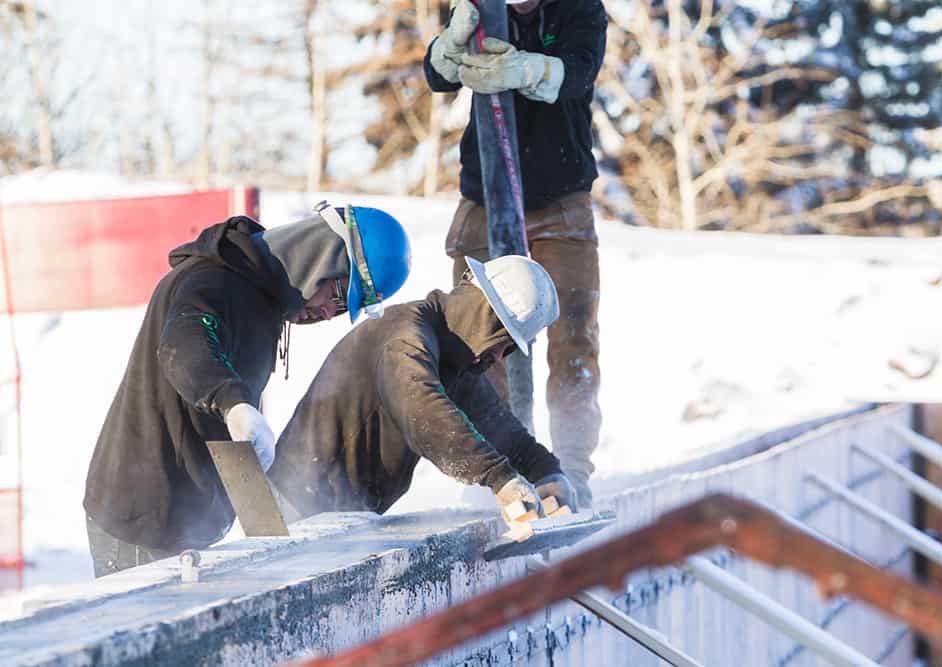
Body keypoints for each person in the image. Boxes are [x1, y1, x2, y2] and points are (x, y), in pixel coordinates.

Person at [82, 204, 412, 577]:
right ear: (322, 257)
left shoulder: (261, 299)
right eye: (337, 295)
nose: (326, 314)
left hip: (187, 516)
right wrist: (233, 404)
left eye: (340, 310)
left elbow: (225, 425)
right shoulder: (213, 282)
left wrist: (265, 523)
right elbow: (186, 345)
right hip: (143, 514)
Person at [424, 0, 608, 506]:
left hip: (559, 199)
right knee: (477, 342)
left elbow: (580, 69)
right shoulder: (478, 11)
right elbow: (437, 76)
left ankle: (570, 473)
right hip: (485, 196)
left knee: (573, 336)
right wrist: (449, 47)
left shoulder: (578, 9)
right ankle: (496, 478)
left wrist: (527, 68)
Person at [268, 255, 579, 525]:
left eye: (509, 348)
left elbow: (498, 426)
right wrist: (500, 478)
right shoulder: (404, 336)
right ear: (480, 311)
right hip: (296, 504)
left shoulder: (455, 358)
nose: (499, 356)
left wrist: (546, 472)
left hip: (342, 515)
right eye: (501, 338)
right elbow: (423, 411)